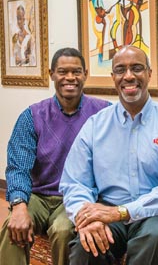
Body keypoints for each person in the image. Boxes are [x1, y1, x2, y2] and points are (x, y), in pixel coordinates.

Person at [59, 45, 158, 265]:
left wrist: (122, 212)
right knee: (86, 245)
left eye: (137, 68)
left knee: (156, 239)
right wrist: (87, 219)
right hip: (107, 209)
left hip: (157, 214)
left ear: (149, 74)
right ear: (113, 77)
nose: (129, 76)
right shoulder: (95, 126)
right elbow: (75, 182)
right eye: (121, 70)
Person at [0, 47, 112, 265]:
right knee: (12, 226)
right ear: (52, 74)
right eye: (63, 71)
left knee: (62, 230)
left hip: (78, 195)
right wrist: (19, 205)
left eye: (76, 71)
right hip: (39, 196)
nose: (70, 78)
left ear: (85, 74)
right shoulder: (32, 116)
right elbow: (18, 167)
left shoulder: (103, 113)